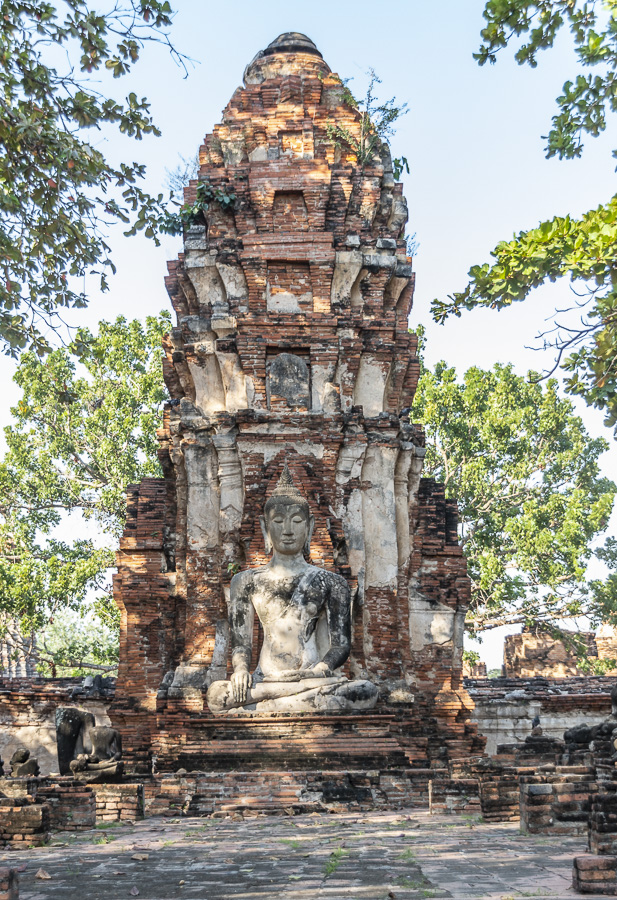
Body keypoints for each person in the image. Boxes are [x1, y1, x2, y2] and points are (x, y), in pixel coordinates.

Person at [206, 465, 378, 714]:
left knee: (364, 691)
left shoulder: (331, 583)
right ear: (265, 527)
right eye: (278, 521)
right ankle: (293, 701)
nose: (287, 530)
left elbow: (340, 646)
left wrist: (322, 668)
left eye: (296, 521)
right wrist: (241, 670)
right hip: (266, 680)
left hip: (312, 678)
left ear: (309, 526)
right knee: (216, 695)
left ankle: (269, 706)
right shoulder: (245, 581)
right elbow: (241, 644)